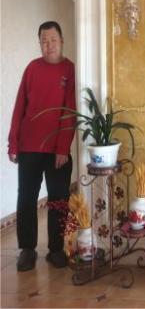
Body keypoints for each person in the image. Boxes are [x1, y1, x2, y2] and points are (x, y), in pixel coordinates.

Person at [8, 21, 76, 272]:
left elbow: (70, 111)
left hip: (57, 149)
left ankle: (56, 249)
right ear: (40, 44)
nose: (49, 45)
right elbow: (19, 108)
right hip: (29, 146)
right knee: (26, 198)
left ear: (62, 41)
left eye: (53, 40)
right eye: (44, 41)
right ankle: (27, 249)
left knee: (59, 199)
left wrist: (62, 147)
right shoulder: (32, 68)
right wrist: (13, 143)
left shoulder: (70, 70)